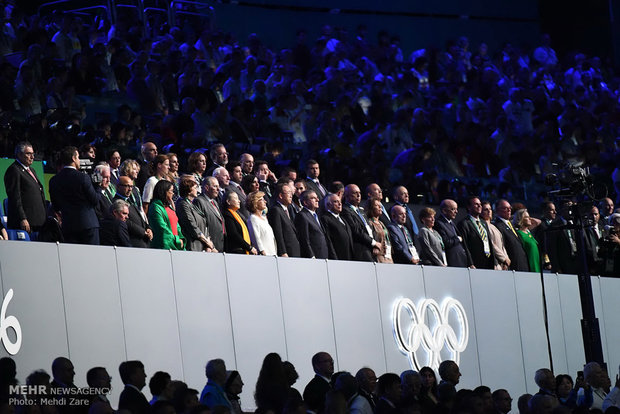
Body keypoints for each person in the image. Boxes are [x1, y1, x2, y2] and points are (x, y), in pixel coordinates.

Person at [49, 146, 100, 245]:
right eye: (78, 158)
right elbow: (95, 200)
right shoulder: (83, 178)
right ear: (73, 158)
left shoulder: (54, 180)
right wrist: (97, 187)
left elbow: (56, 206)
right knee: (92, 257)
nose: (79, 161)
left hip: (68, 226)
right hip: (88, 226)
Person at [4, 141, 47, 235]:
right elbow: (15, 197)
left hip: (39, 222)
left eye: (33, 154)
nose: (32, 157)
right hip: (27, 224)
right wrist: (22, 218)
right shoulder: (14, 170)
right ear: (19, 154)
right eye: (28, 154)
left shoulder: (31, 170)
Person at [176, 175, 215, 252]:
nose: (197, 190)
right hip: (192, 246)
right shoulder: (182, 204)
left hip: (201, 246)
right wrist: (207, 242)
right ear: (189, 190)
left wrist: (208, 242)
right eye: (195, 188)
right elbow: (192, 225)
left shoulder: (192, 204)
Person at [341, 184, 378, 262]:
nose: (358, 195)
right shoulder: (345, 210)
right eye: (355, 193)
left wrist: (375, 244)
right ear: (347, 195)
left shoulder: (361, 211)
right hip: (361, 249)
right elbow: (356, 230)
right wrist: (373, 242)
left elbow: (371, 228)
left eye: (359, 193)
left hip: (372, 248)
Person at [113, 176, 153, 248]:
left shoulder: (130, 200)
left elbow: (141, 218)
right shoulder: (116, 202)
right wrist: (143, 232)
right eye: (127, 186)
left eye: (131, 186)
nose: (130, 189)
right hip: (134, 243)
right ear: (118, 186)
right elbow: (126, 221)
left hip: (143, 242)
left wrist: (148, 228)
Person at [457, 196, 495, 269]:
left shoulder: (483, 223)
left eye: (480, 204)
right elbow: (465, 245)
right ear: (469, 207)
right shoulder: (464, 223)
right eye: (476, 204)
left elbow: (489, 242)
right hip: (475, 262)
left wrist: (494, 262)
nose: (479, 206)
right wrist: (470, 263)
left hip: (488, 261)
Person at [295, 190, 334, 259]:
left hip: (324, 256)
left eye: (317, 197)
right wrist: (311, 256)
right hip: (314, 258)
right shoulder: (302, 216)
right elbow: (304, 239)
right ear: (305, 202)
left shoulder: (317, 216)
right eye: (313, 198)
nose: (317, 200)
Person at [147, 180, 185, 250]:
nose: (173, 193)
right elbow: (162, 229)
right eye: (171, 191)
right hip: (164, 247)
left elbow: (177, 226)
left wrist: (181, 238)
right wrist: (176, 240)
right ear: (164, 192)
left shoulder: (169, 207)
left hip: (176, 245)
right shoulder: (155, 207)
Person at [434, 199, 472, 267]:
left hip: (461, 261)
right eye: (453, 209)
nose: (456, 212)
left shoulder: (451, 223)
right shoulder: (439, 223)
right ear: (444, 211)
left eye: (456, 209)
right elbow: (445, 242)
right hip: (452, 262)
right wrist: (458, 239)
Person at [494, 199, 529, 271]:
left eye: (510, 208)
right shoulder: (498, 226)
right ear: (497, 210)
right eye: (505, 208)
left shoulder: (511, 225)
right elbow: (502, 246)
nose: (509, 210)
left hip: (522, 264)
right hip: (512, 265)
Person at [267, 182, 301, 257]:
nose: (291, 195)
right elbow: (278, 232)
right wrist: (283, 252)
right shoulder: (276, 210)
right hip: (287, 252)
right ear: (280, 195)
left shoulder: (286, 210)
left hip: (294, 251)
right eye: (288, 193)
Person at [194, 177, 226, 252]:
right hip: (210, 246)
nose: (218, 189)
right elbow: (201, 224)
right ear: (207, 187)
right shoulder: (199, 201)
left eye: (218, 186)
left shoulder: (214, 202)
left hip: (220, 244)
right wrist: (208, 244)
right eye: (215, 186)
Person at [321, 193, 355, 260]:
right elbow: (328, 240)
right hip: (338, 258)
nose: (340, 204)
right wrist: (334, 258)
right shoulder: (325, 218)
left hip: (349, 257)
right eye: (336, 202)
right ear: (328, 205)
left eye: (340, 202)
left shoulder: (343, 219)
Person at [481, 201, 510, 270]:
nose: (489, 211)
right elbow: (491, 244)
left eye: (490, 209)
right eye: (486, 209)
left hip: (502, 263)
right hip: (495, 262)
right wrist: (503, 258)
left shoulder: (494, 226)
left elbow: (502, 245)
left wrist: (506, 258)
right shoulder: (482, 226)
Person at [246, 190, 277, 255]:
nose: (265, 201)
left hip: (272, 254)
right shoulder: (253, 218)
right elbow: (256, 238)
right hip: (264, 256)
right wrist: (262, 252)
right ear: (255, 202)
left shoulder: (264, 219)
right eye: (262, 200)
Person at [366, 198, 393, 263]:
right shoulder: (369, 222)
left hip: (388, 256)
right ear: (371, 208)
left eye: (380, 205)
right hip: (379, 256)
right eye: (377, 205)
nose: (380, 207)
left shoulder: (381, 223)